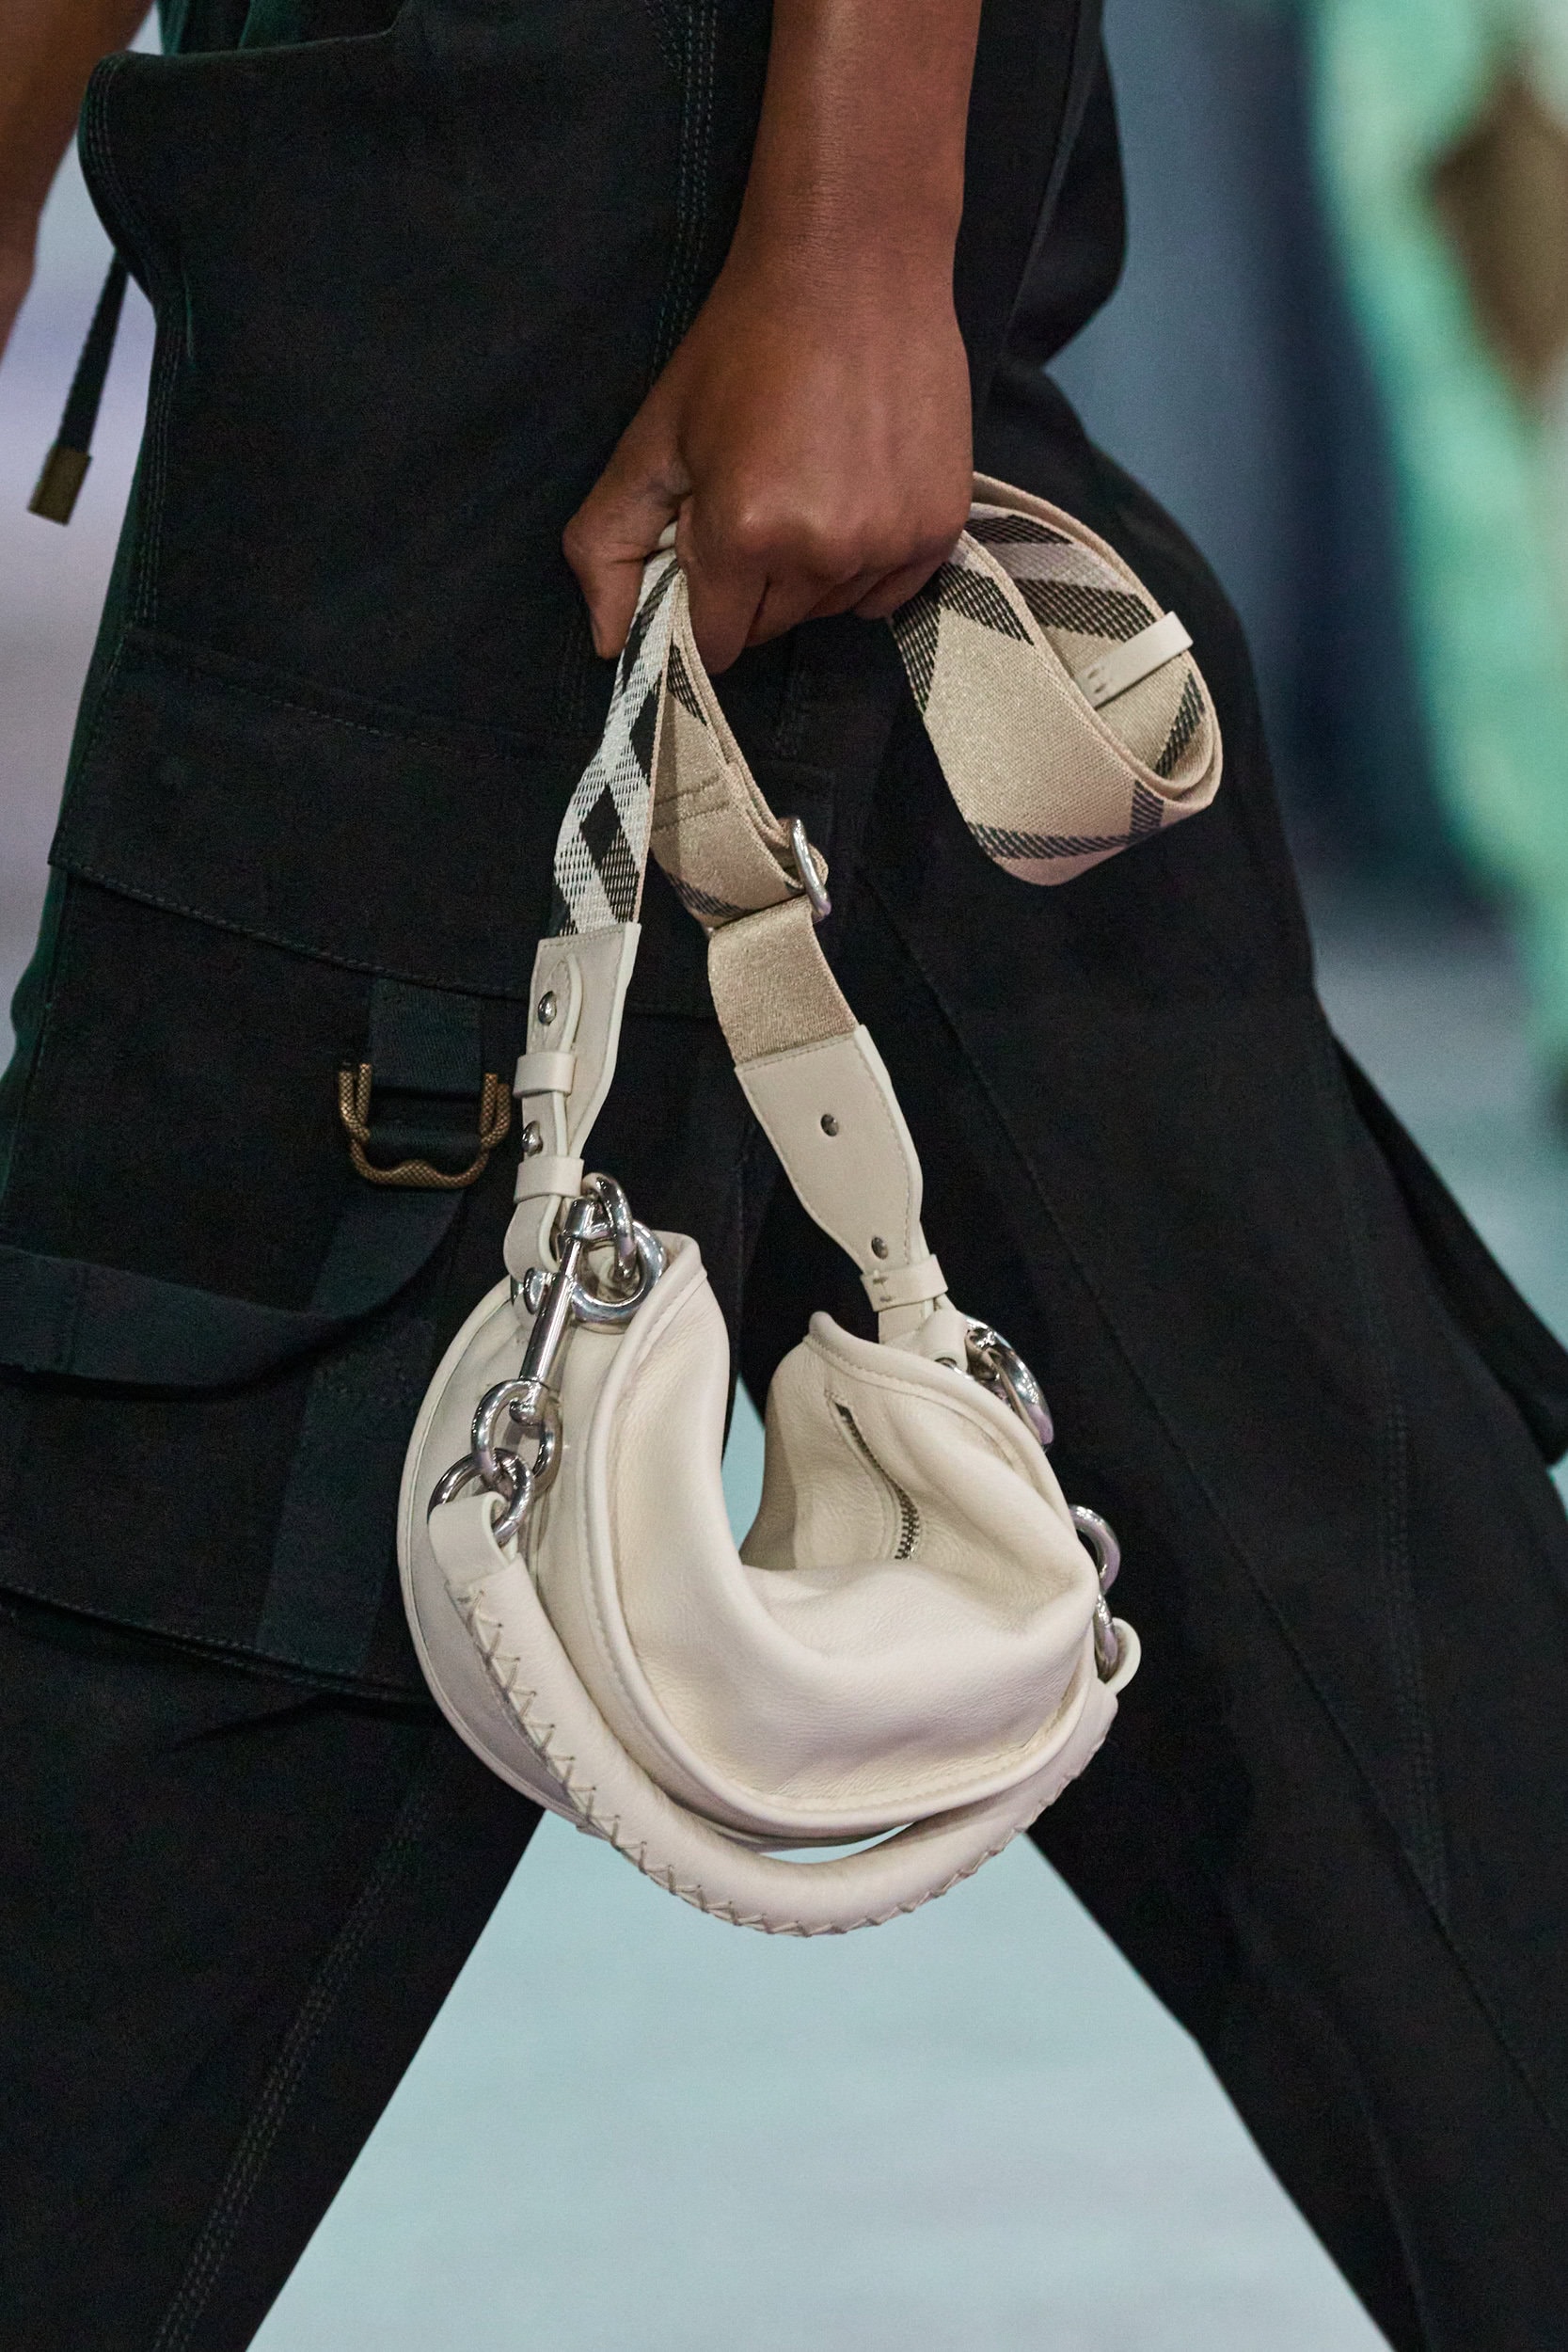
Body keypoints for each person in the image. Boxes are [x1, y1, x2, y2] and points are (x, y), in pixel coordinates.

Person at [2, 3, 1567, 2345]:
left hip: (574, 284)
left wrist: (851, 228)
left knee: (161, 1605)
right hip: (591, 224)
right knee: (1324, 1575)